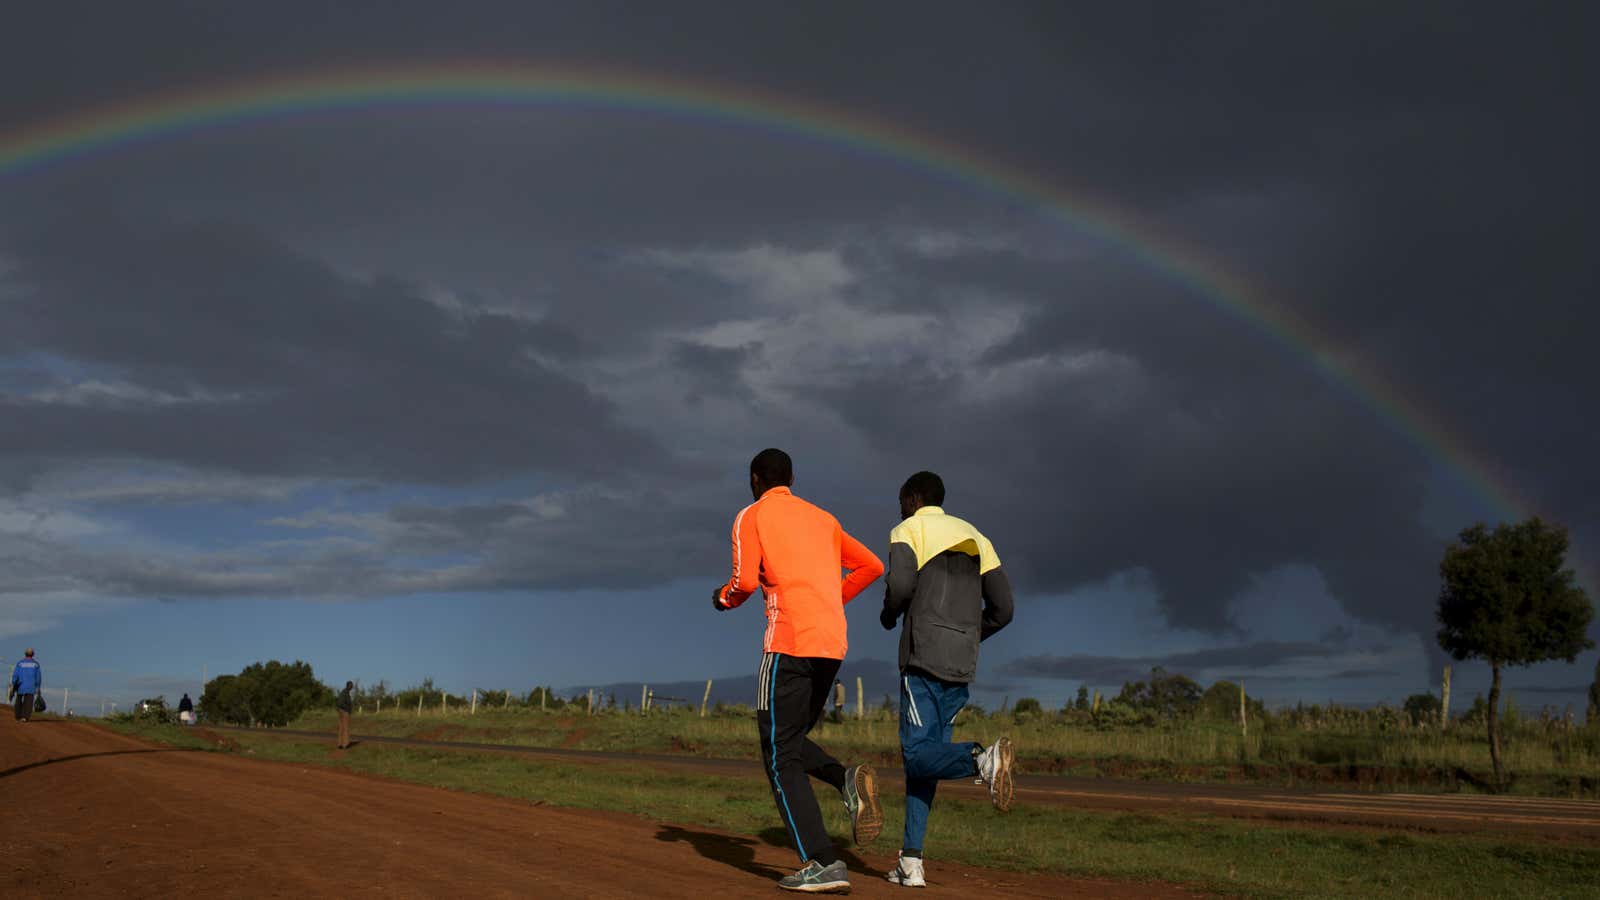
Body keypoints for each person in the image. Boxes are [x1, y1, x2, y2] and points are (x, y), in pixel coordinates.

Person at [712, 448, 885, 893]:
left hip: (788, 643)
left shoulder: (751, 516)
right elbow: (872, 566)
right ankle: (843, 778)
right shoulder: (823, 519)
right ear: (791, 477)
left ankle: (822, 862)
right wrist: (828, 600)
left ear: (754, 479)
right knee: (787, 741)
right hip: (831, 642)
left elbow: (746, 581)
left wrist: (724, 598)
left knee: (778, 754)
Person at [879, 471, 1015, 889]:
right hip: (961, 662)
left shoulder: (909, 529)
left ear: (915, 498)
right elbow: (1004, 609)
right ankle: (911, 861)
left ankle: (980, 760)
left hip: (923, 658)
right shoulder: (977, 536)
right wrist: (971, 635)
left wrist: (888, 613)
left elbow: (900, 585)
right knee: (927, 763)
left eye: (902, 499)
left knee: (917, 756)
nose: (899, 507)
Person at [11, 649, 42, 723]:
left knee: (18, 700)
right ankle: (25, 717)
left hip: (20, 685)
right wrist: (38, 686)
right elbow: (38, 677)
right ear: (33, 654)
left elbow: (15, 674)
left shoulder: (20, 663)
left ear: (25, 654)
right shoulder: (36, 664)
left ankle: (18, 716)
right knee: (28, 702)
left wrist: (14, 683)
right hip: (31, 686)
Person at [336, 681, 354, 749]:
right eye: (351, 686)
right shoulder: (345, 693)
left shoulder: (343, 692)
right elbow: (341, 703)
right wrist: (347, 710)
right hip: (344, 711)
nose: (352, 687)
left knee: (341, 728)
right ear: (348, 686)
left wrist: (339, 709)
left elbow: (339, 703)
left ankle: (340, 744)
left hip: (341, 711)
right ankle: (345, 744)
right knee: (345, 728)